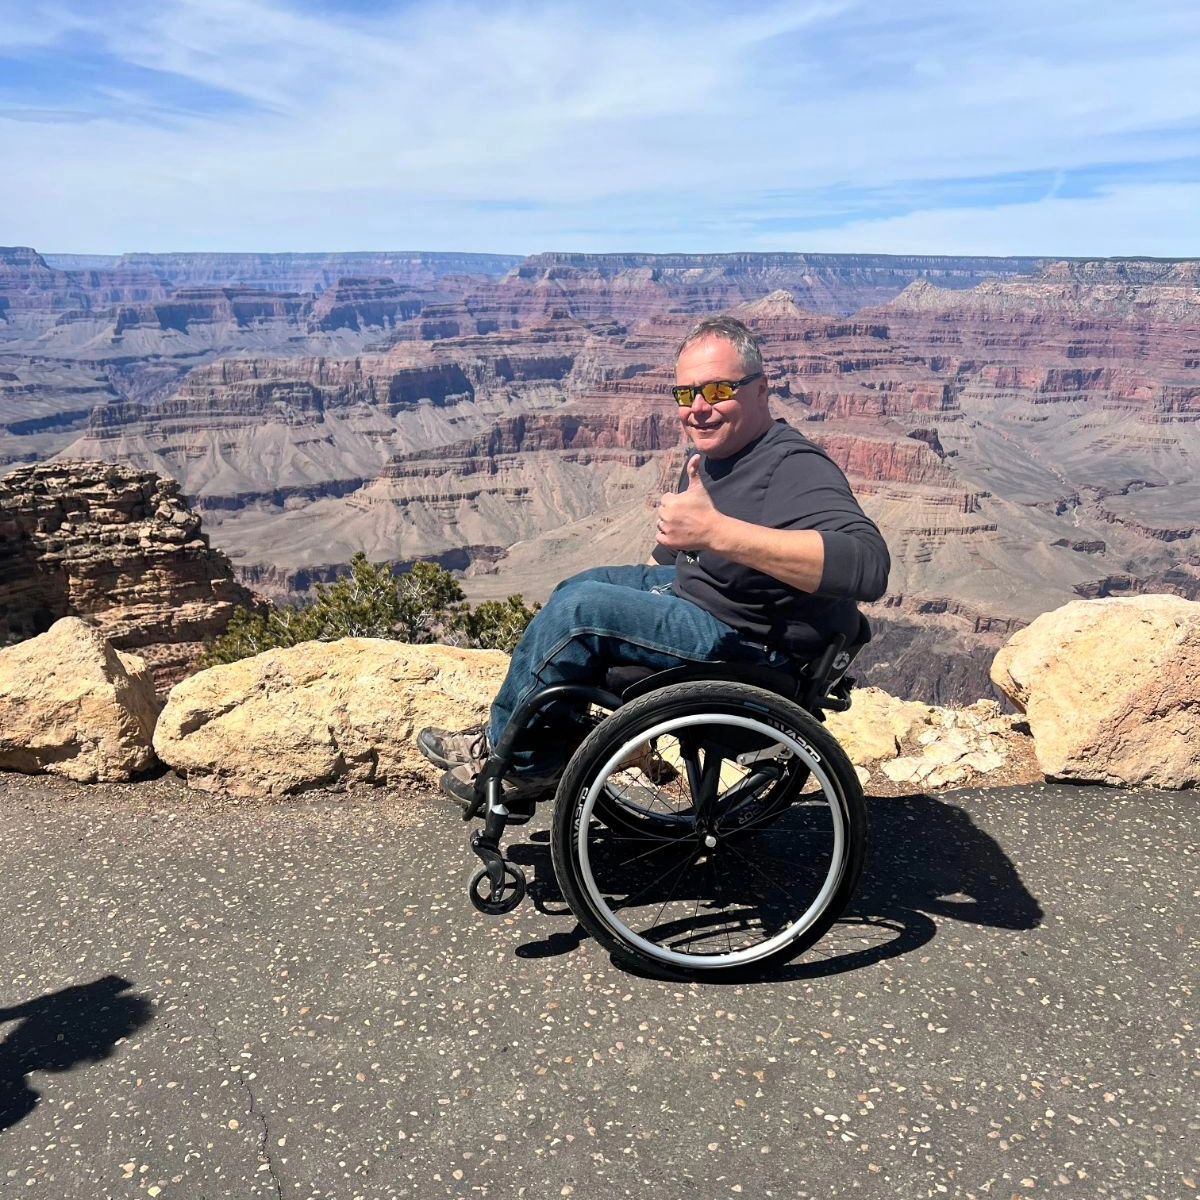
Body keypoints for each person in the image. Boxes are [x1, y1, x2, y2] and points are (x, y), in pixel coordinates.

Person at [418, 314, 890, 811]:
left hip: (752, 645)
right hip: (707, 603)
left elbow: (868, 566)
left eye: (718, 390)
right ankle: (551, 740)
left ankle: (515, 762)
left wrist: (716, 533)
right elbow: (669, 557)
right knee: (580, 587)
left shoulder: (794, 465)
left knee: (579, 615)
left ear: (760, 389)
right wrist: (632, 600)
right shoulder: (718, 455)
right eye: (686, 394)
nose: (698, 408)